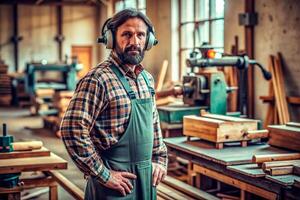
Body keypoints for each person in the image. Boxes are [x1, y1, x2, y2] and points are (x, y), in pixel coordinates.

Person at [60, 8, 168, 200]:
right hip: (114, 186)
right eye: (127, 34)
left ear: (149, 41)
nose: (134, 41)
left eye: (140, 35)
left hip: (146, 182)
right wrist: (103, 174)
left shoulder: (146, 79)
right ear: (111, 39)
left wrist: (160, 159)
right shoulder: (98, 79)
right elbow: (72, 128)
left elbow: (153, 124)